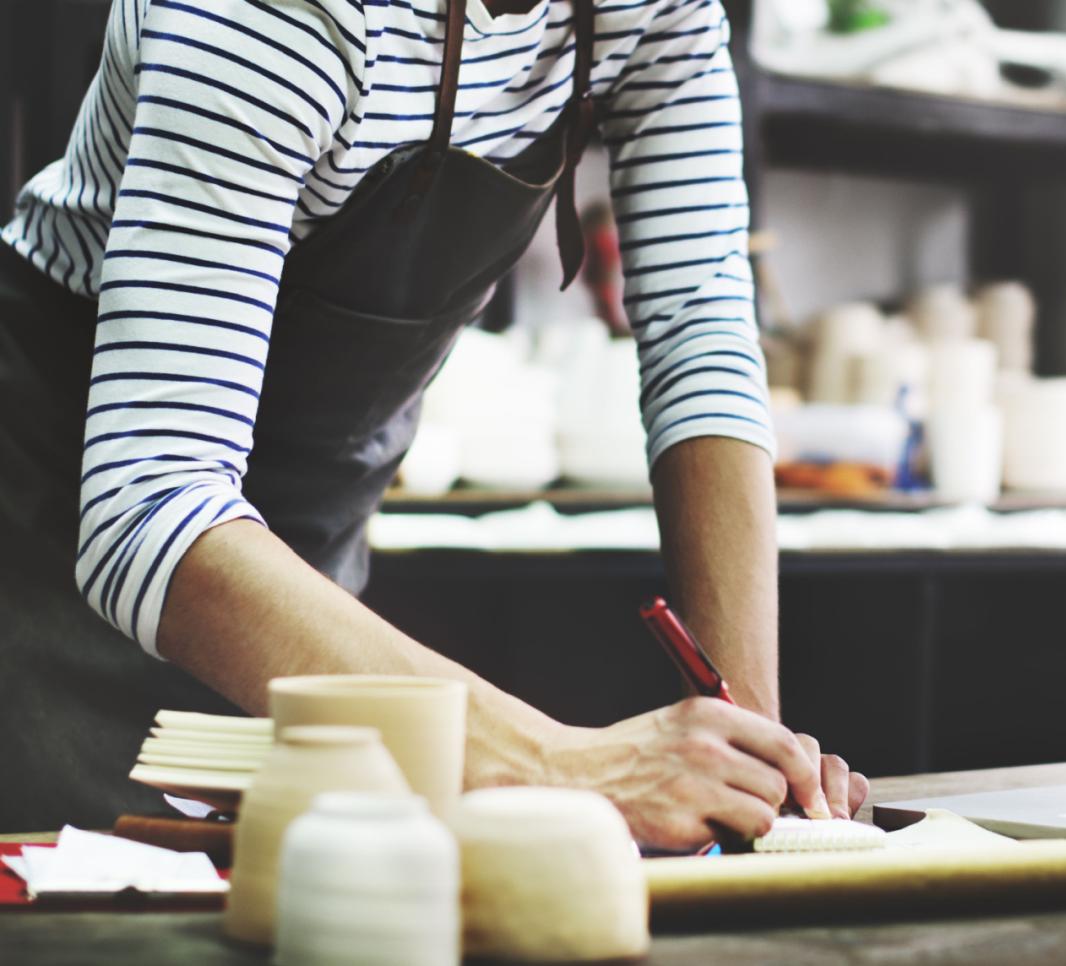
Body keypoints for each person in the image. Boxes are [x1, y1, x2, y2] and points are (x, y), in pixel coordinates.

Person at [0, 0, 868, 843]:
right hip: (54, 515)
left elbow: (699, 334)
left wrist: (751, 755)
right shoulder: (276, 12)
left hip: (295, 567)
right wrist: (561, 767)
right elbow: (150, 505)